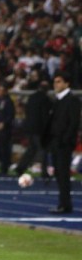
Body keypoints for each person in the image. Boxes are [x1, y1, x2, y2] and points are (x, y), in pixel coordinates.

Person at [46, 72, 81, 213]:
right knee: (59, 174)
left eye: (59, 81)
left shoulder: (72, 100)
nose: (55, 84)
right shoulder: (57, 100)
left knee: (63, 174)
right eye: (55, 82)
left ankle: (65, 204)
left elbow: (73, 123)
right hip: (56, 142)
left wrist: (65, 140)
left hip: (64, 144)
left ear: (67, 83)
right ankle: (63, 203)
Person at [15, 79, 52, 179]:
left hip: (29, 127)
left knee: (32, 149)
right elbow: (44, 116)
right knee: (43, 149)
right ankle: (44, 172)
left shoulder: (32, 97)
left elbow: (27, 111)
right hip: (39, 129)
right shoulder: (45, 99)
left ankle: (20, 167)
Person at [0, 84, 15, 175]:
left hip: (5, 129)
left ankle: (4, 168)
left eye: (1, 90)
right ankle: (5, 162)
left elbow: (11, 115)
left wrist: (4, 123)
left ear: (5, 91)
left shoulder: (8, 102)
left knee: (4, 148)